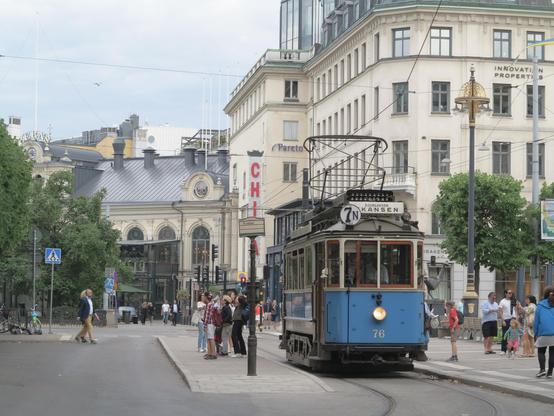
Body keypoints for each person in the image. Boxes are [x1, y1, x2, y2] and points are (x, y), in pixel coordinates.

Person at [534, 286, 554, 378]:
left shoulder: (540, 305)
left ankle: (542, 370)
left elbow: (536, 321)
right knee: (552, 353)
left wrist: (535, 333)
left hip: (543, 333)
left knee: (541, 351)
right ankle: (550, 373)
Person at [499, 289, 516, 355]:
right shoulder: (502, 301)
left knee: (512, 335)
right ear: (505, 293)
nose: (510, 294)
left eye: (511, 293)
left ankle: (511, 349)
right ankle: (503, 350)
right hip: (506, 319)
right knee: (505, 334)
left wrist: (516, 318)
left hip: (513, 319)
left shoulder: (514, 300)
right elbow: (500, 311)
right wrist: (502, 320)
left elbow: (516, 310)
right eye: (509, 293)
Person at [202, 292, 217, 360]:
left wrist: (205, 325)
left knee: (211, 338)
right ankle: (210, 353)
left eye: (203, 296)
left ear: (206, 297)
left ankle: (213, 354)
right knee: (209, 338)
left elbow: (207, 316)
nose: (203, 298)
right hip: (211, 323)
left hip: (209, 324)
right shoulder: (212, 304)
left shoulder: (209, 305)